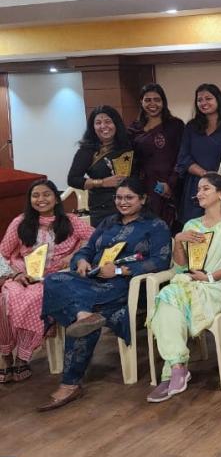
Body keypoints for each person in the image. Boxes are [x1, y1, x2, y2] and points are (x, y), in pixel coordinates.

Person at [38, 178, 171, 411]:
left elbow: (160, 261)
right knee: (53, 279)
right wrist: (81, 261)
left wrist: (119, 270)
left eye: (129, 198)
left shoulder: (155, 226)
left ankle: (70, 384)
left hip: (124, 285)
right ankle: (83, 315)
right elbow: (87, 249)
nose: (123, 202)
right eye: (119, 197)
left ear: (142, 199)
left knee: (83, 305)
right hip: (92, 280)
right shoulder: (108, 222)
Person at [146, 173, 221, 402]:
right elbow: (181, 265)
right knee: (168, 296)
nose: (200, 193)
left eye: (206, 189)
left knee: (168, 296)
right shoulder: (192, 225)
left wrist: (209, 277)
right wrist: (178, 240)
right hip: (190, 283)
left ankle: (173, 369)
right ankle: (177, 366)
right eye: (199, 189)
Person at [0, 180, 93, 384]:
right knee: (6, 297)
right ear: (30, 199)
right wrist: (15, 275)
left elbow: (95, 239)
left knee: (35, 298)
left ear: (56, 198)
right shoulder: (20, 222)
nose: (41, 199)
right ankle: (6, 357)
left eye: (46, 194)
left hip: (51, 279)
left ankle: (22, 358)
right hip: (21, 275)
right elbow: (2, 253)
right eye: (36, 195)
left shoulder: (70, 221)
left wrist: (75, 255)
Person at [175, 83, 221, 225]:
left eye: (208, 98)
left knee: (220, 225)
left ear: (218, 99)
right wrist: (204, 174)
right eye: (200, 100)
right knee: (194, 227)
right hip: (195, 184)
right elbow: (183, 158)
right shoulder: (191, 126)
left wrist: (215, 178)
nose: (203, 103)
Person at [128, 83, 185, 229]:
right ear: (141, 102)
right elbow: (130, 160)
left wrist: (171, 183)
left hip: (170, 185)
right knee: (145, 228)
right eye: (147, 100)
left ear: (163, 102)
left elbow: (182, 156)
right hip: (144, 187)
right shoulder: (134, 129)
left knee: (167, 227)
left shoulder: (175, 125)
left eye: (157, 100)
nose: (152, 104)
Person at [67, 106, 133, 226]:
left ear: (116, 124)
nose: (103, 126)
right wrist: (101, 182)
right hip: (102, 209)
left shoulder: (128, 146)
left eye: (108, 121)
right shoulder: (87, 151)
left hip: (131, 205)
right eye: (98, 123)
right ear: (93, 127)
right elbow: (73, 179)